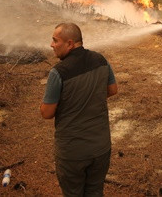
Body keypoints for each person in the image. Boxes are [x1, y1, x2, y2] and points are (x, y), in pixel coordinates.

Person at [40, 22, 118, 197]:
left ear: (70, 43)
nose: (51, 45)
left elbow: (46, 113)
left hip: (72, 153)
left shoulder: (58, 72)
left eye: (55, 40)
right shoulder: (101, 60)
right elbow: (113, 90)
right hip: (101, 148)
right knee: (95, 192)